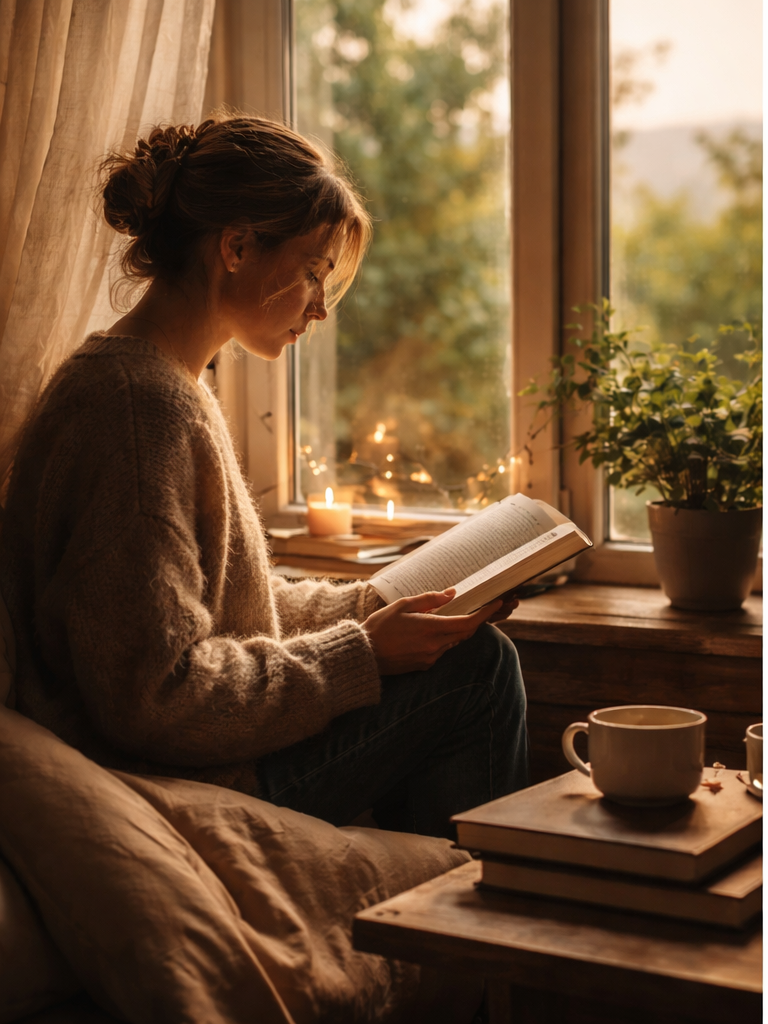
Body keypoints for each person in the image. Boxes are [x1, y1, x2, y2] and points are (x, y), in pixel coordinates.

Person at [0, 116, 528, 839]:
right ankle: (455, 937)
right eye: (313, 269)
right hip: (187, 781)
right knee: (479, 672)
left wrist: (369, 604)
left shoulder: (160, 383)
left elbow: (224, 609)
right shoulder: (135, 409)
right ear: (238, 246)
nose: (319, 304)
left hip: (203, 755)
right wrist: (365, 653)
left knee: (463, 653)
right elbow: (155, 696)